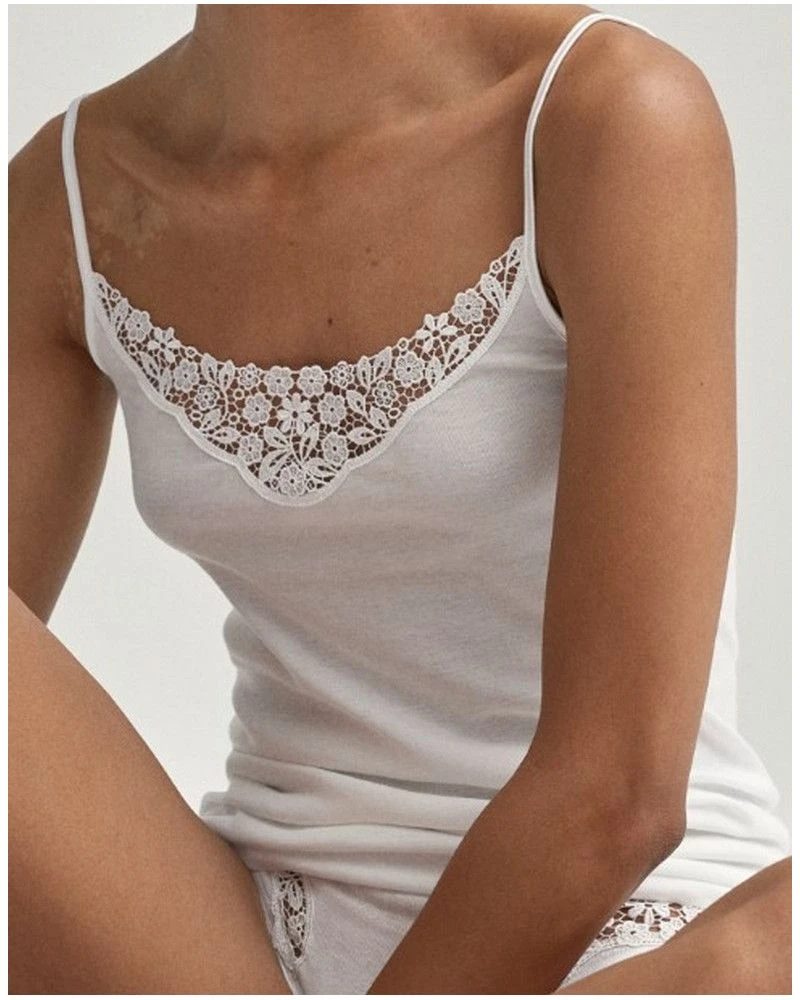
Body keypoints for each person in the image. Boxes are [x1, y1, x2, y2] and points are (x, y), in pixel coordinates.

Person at [9, 5, 791, 994]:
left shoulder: (606, 116)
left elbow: (616, 794)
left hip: (613, 943)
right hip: (240, 948)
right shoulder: (68, 195)